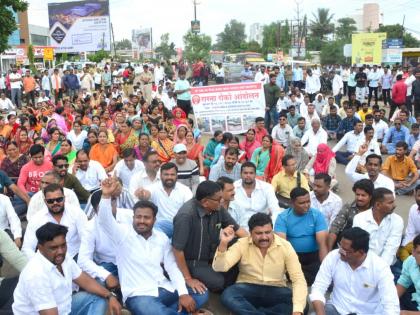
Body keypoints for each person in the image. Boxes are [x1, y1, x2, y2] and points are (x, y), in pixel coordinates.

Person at [13, 222, 122, 315]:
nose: (60, 251)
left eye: (63, 245)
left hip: (64, 308)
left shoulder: (62, 257)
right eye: (53, 248)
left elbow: (85, 280)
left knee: (100, 298)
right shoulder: (35, 274)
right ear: (40, 248)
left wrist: (110, 296)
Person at [213, 213, 307, 315]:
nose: (264, 237)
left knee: (301, 306)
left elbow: (298, 279)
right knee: (228, 295)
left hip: (276, 289)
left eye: (267, 232)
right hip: (247, 287)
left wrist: (297, 311)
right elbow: (220, 267)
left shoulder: (285, 246)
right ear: (250, 233)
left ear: (272, 231)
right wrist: (224, 243)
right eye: (258, 233)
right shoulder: (242, 244)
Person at [172, 180, 247, 293]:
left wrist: (255, 242)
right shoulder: (186, 216)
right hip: (194, 262)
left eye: (222, 197)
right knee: (219, 282)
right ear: (205, 202)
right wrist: (188, 279)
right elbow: (177, 250)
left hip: (213, 255)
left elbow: (238, 230)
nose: (222, 201)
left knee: (239, 243)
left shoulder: (218, 208)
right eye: (218, 199)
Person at [310, 227, 400, 315]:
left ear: (361, 252)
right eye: (340, 246)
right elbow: (318, 288)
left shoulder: (380, 267)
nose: (340, 252)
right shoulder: (333, 257)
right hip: (337, 308)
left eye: (345, 250)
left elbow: (390, 304)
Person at [275, 187, 328, 286]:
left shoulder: (317, 215)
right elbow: (282, 245)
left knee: (319, 277)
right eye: (302, 203)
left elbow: (322, 245)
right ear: (292, 202)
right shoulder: (282, 218)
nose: (306, 205)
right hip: (293, 257)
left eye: (308, 201)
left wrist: (326, 269)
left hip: (313, 257)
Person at [137, 162, 193, 238]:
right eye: (166, 174)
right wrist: (143, 195)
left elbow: (189, 210)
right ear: (160, 176)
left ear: (177, 176)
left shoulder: (185, 190)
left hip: (179, 225)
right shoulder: (153, 187)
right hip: (159, 226)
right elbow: (147, 194)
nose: (169, 177)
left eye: (172, 175)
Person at [352, 187, 404, 266]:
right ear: (378, 205)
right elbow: (359, 247)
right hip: (362, 263)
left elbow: (390, 250)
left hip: (386, 266)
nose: (394, 205)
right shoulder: (359, 219)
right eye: (390, 203)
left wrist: (379, 270)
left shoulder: (397, 221)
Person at [229, 162, 280, 230]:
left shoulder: (267, 188)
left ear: (255, 174)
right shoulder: (233, 187)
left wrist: (271, 229)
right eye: (245, 173)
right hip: (239, 228)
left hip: (262, 228)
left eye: (251, 173)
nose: (248, 175)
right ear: (241, 174)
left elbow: (275, 210)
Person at [328, 179, 374, 251]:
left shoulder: (374, 211)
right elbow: (336, 226)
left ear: (370, 196)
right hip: (344, 245)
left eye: (363, 195)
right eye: (357, 194)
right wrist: (329, 250)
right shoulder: (348, 207)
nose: (359, 198)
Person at [397, 234, 420, 313]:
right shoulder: (410, 261)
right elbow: (402, 284)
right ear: (413, 252)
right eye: (419, 253)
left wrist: (407, 313)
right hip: (416, 301)